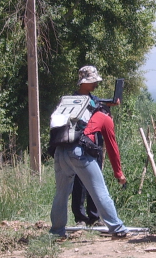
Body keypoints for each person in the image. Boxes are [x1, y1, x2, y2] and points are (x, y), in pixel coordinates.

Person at [50, 67, 128, 239]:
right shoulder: (104, 117)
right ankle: (117, 228)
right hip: (79, 153)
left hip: (60, 151)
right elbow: (112, 147)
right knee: (100, 191)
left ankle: (56, 232)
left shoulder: (71, 103)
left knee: (61, 194)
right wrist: (119, 173)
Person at [71, 66, 104, 226]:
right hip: (79, 144)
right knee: (79, 182)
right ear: (82, 83)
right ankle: (80, 218)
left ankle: (95, 217)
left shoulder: (96, 100)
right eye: (92, 82)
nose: (95, 84)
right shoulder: (72, 100)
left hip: (95, 145)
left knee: (96, 180)